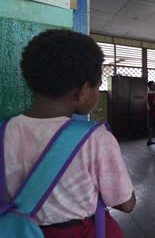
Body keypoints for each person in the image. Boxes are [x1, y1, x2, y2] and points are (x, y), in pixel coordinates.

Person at [4, 29, 135, 237]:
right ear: (82, 90)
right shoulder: (95, 139)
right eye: (98, 85)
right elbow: (125, 204)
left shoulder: (4, 132)